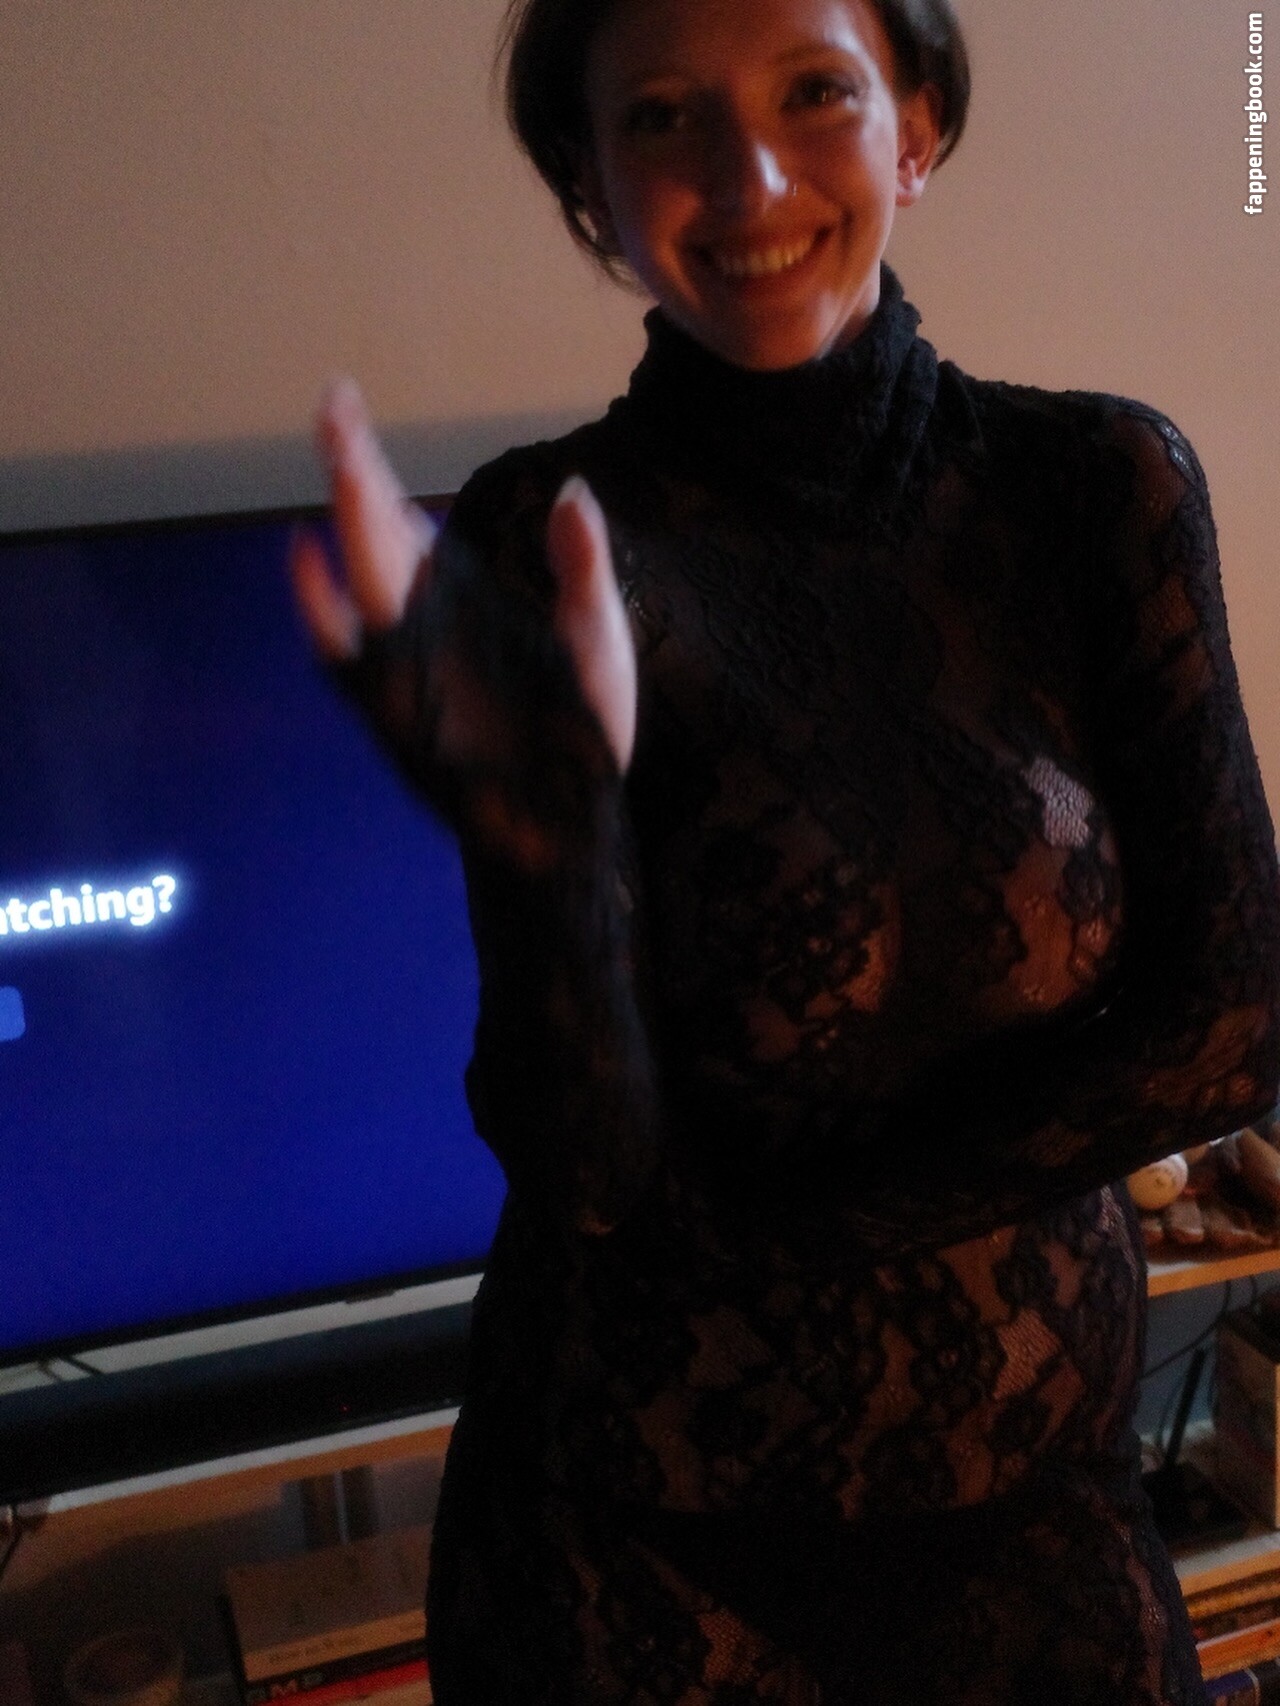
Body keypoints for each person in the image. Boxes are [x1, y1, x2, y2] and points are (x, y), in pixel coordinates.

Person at [292, 0, 1280, 1698]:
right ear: (591, 189)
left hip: (1034, 1509)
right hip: (633, 1534)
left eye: (814, 91)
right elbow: (586, 1170)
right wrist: (541, 858)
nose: (748, 179)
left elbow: (1234, 1020)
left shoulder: (1097, 485)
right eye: (662, 118)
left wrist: (794, 1231)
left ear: (919, 124)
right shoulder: (548, 537)